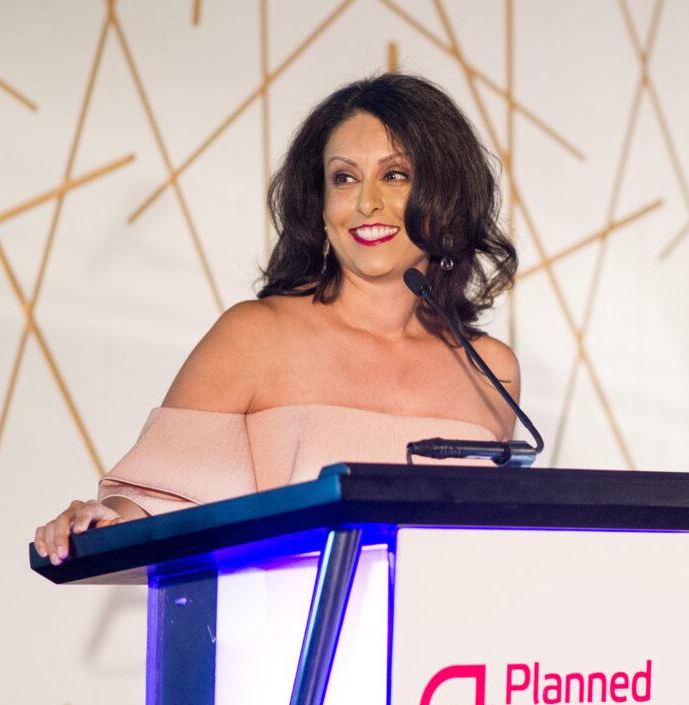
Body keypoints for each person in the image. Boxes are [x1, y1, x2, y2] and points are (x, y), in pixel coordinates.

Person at [34, 73, 520, 566]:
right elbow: (155, 501)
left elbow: (491, 547)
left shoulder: (491, 370)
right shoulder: (255, 335)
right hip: (293, 612)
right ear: (320, 202)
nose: (366, 202)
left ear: (448, 195)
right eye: (344, 178)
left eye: (395, 175)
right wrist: (98, 522)